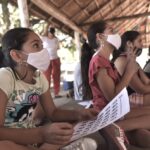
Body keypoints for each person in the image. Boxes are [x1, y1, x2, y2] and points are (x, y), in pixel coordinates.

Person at [0, 28, 98, 150]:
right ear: (17, 55)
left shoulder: (39, 78)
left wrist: (79, 114)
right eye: (36, 45)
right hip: (12, 141)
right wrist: (41, 134)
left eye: (42, 45)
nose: (43, 51)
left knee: (68, 128)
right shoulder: (5, 76)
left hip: (31, 139)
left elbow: (53, 113)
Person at [83, 20, 150, 148]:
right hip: (109, 114)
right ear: (100, 37)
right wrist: (129, 71)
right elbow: (112, 97)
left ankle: (116, 133)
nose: (116, 35)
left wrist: (131, 63)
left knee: (143, 136)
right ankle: (115, 128)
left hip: (118, 110)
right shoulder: (98, 62)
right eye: (111, 31)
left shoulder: (105, 61)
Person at [114, 31, 150, 107]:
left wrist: (134, 59)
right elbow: (141, 89)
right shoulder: (122, 61)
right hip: (125, 100)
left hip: (135, 96)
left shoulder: (133, 62)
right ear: (129, 44)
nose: (142, 45)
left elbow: (147, 81)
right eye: (139, 41)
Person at [41, 27, 61, 98]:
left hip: (55, 59)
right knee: (46, 77)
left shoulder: (56, 39)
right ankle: (47, 94)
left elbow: (58, 48)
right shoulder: (44, 39)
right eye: (50, 33)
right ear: (48, 32)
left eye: (52, 33)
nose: (51, 34)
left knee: (56, 76)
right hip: (47, 60)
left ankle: (56, 93)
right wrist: (47, 25)